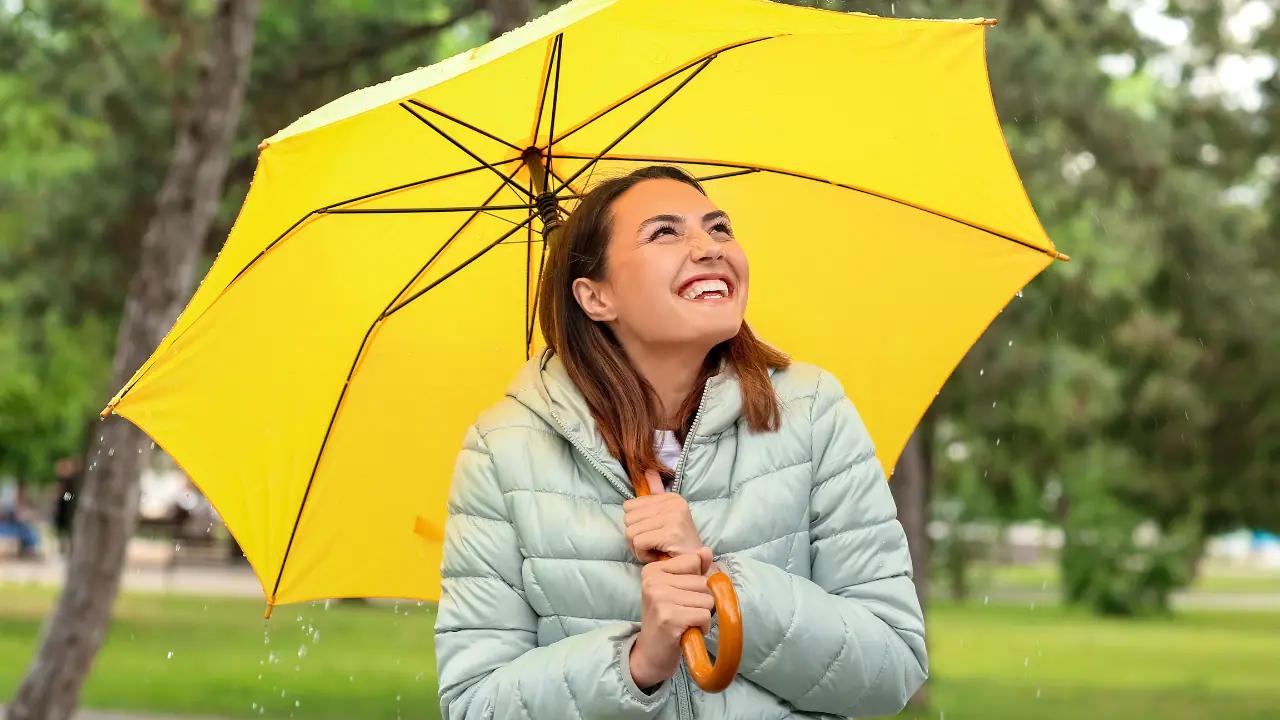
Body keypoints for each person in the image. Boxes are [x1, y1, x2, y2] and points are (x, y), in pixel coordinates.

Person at [434, 165, 928, 719]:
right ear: (595, 297)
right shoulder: (504, 450)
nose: (709, 247)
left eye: (719, 228)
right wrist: (638, 665)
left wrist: (721, 595)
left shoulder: (811, 413)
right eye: (664, 233)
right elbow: (475, 704)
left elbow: (892, 670)